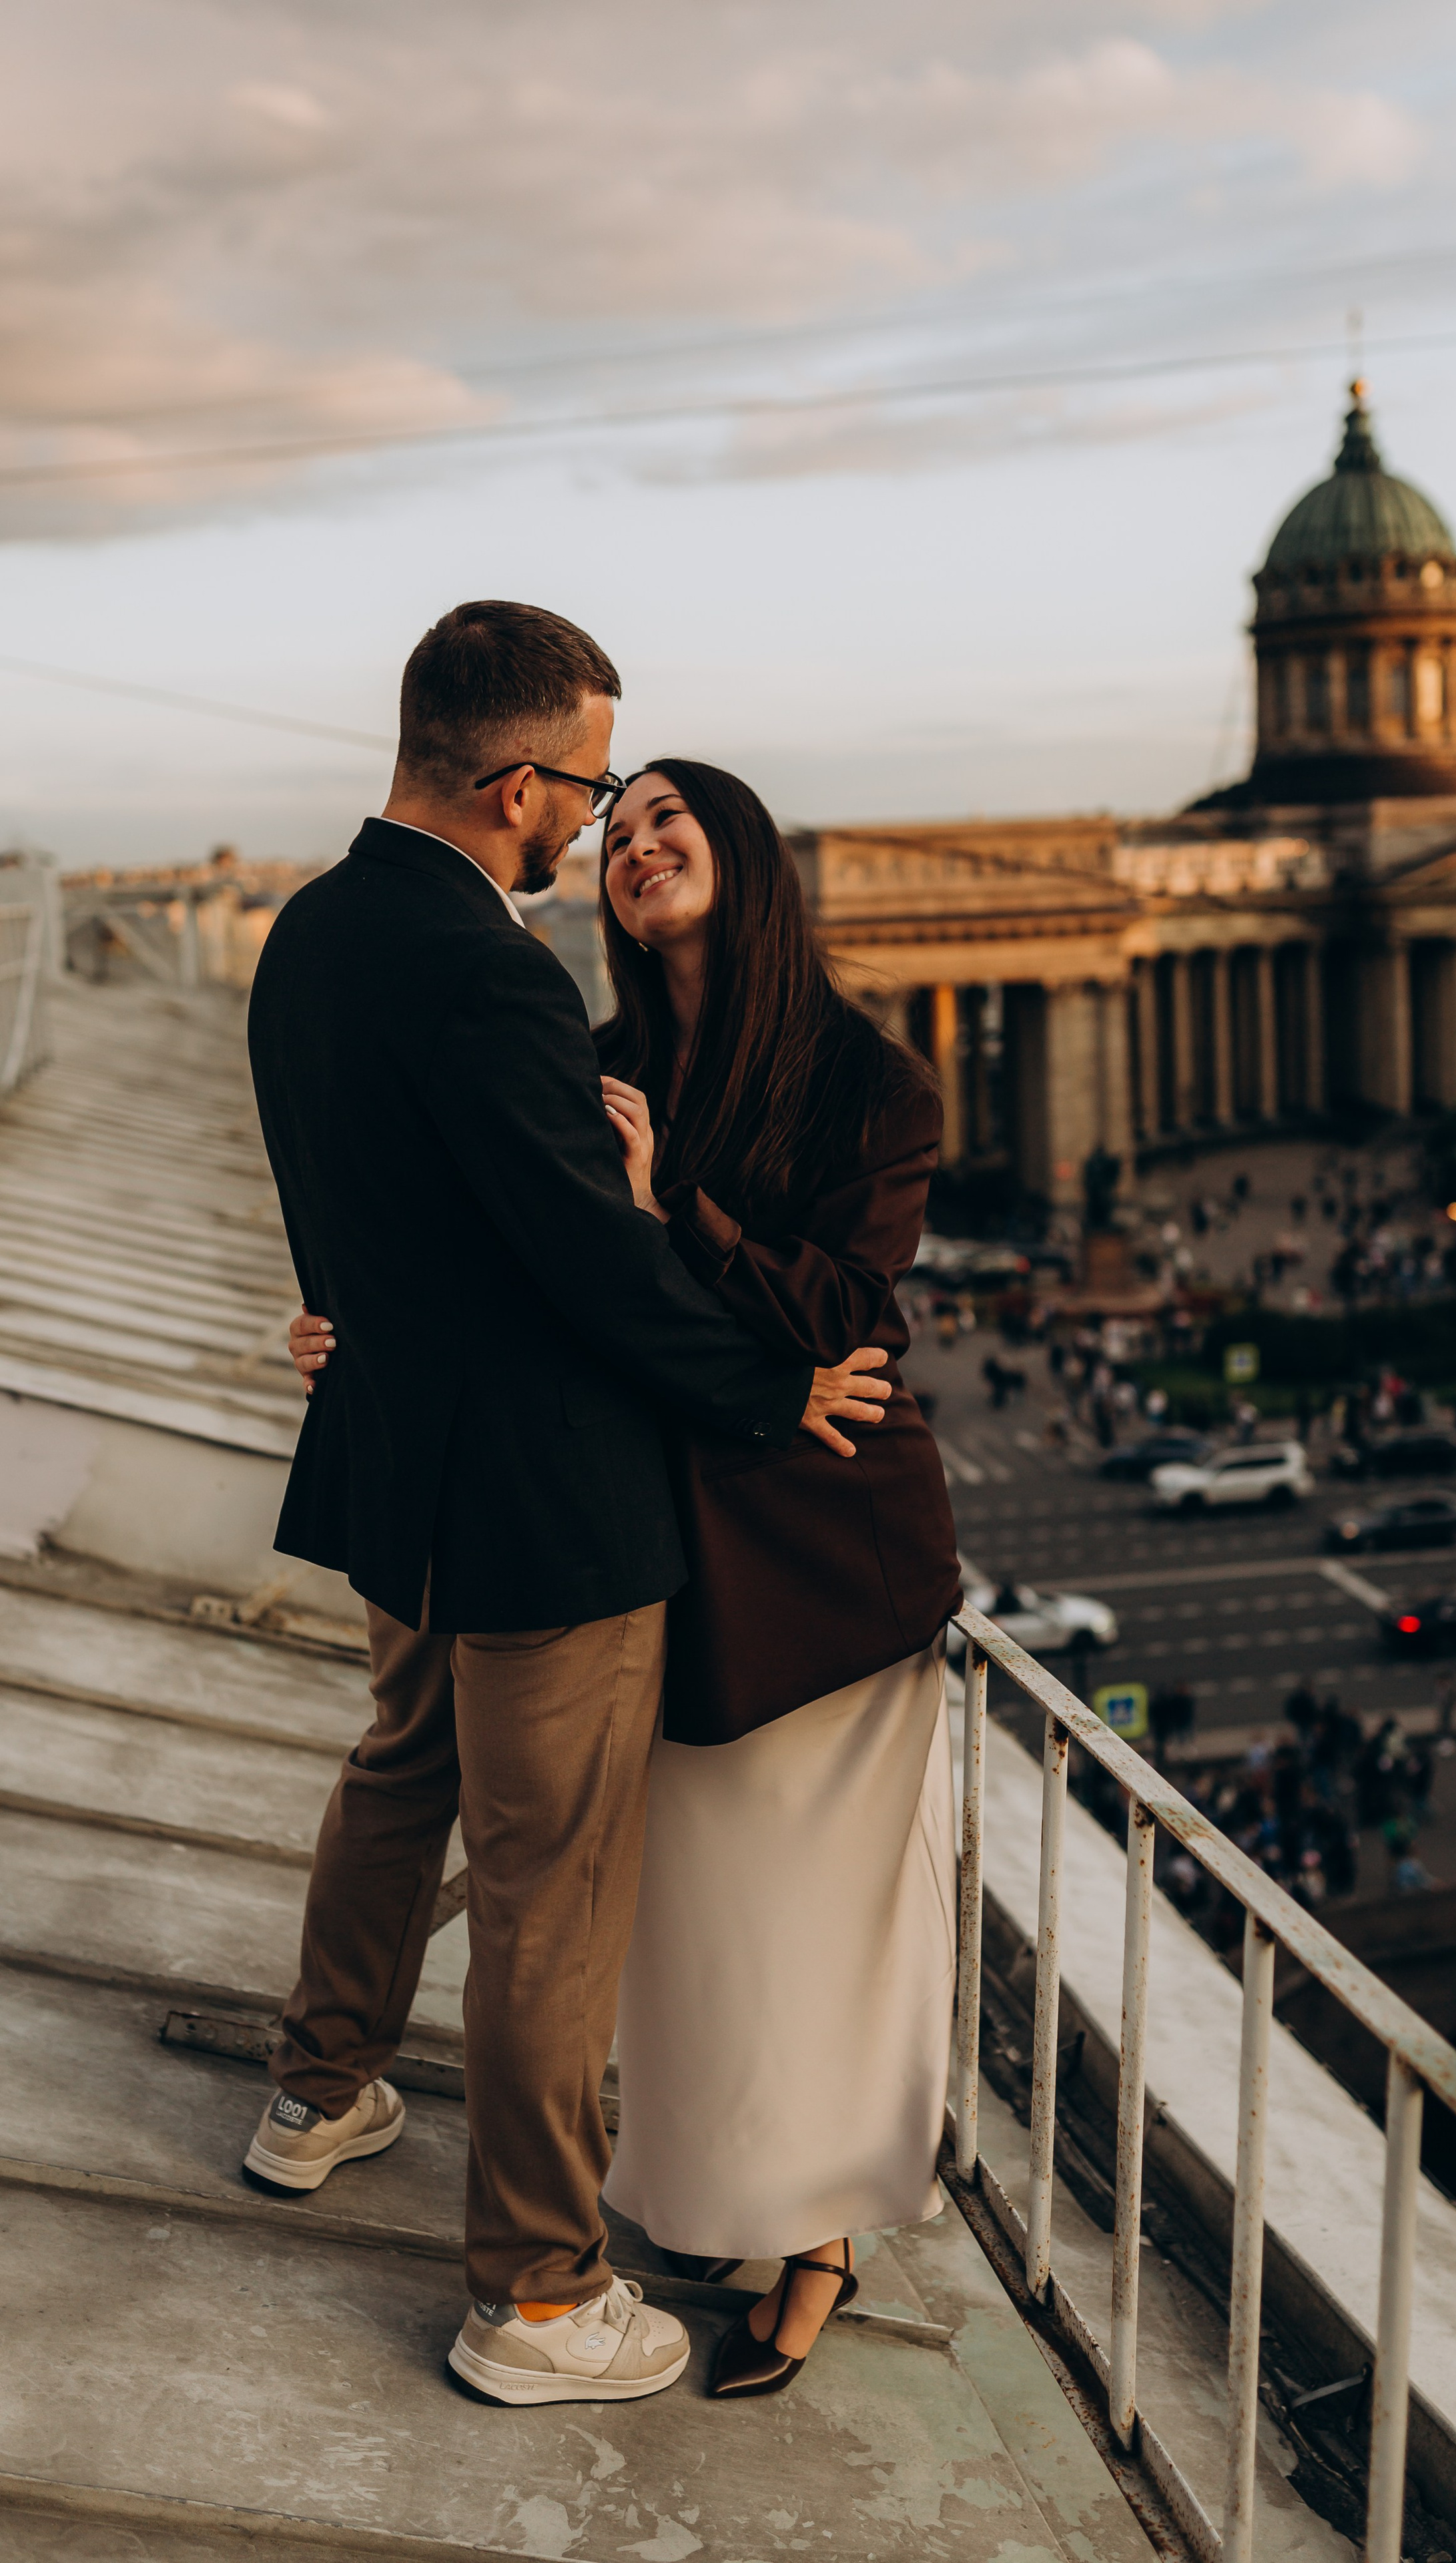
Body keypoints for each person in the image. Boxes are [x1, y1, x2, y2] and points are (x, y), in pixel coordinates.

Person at [246, 602, 896, 2411]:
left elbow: (346, 1215)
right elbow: (584, 1264)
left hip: (399, 1466)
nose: (600, 822)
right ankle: (536, 2296)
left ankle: (318, 2093)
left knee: (397, 1773)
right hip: (543, 1503)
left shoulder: (306, 937)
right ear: (517, 779)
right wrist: (771, 1389)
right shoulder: (492, 971)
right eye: (594, 787)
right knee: (552, 1893)